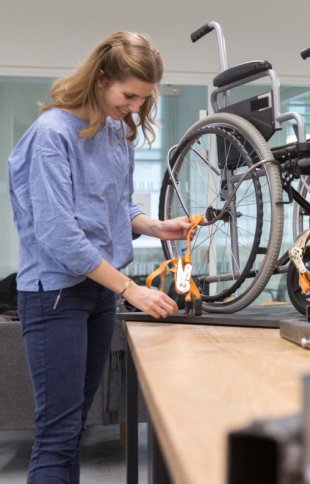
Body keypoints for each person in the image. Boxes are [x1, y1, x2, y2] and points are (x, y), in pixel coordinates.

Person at [8, 31, 190, 482]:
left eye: (143, 100)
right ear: (101, 77)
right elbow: (59, 234)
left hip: (98, 293)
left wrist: (154, 225)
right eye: (128, 96)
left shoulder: (114, 133)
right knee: (57, 434)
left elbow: (116, 206)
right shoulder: (51, 135)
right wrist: (132, 289)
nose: (133, 108)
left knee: (76, 428)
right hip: (55, 295)